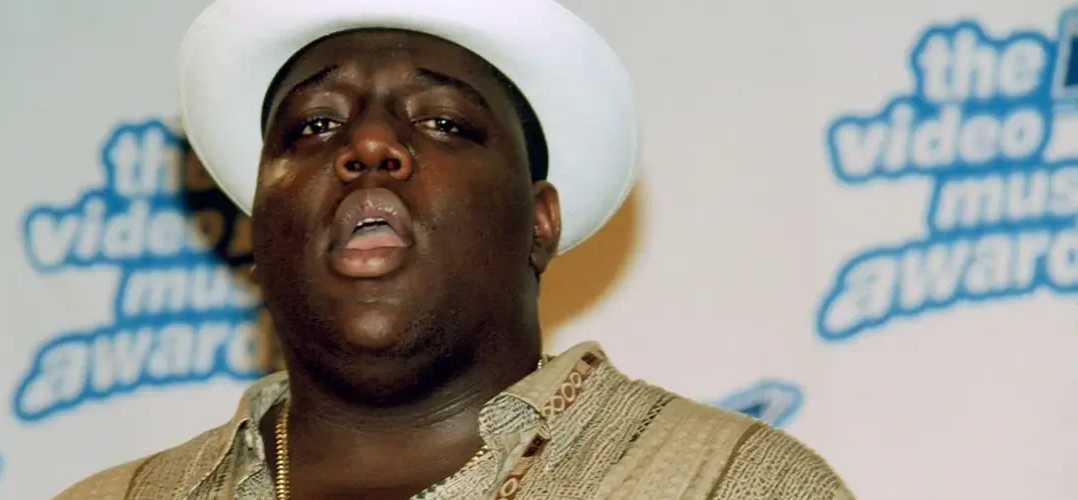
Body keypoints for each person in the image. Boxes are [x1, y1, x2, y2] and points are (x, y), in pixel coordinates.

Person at [57, 0, 855, 498]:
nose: (369, 146)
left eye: (443, 122)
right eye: (315, 125)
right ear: (262, 234)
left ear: (539, 222)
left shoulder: (737, 485)